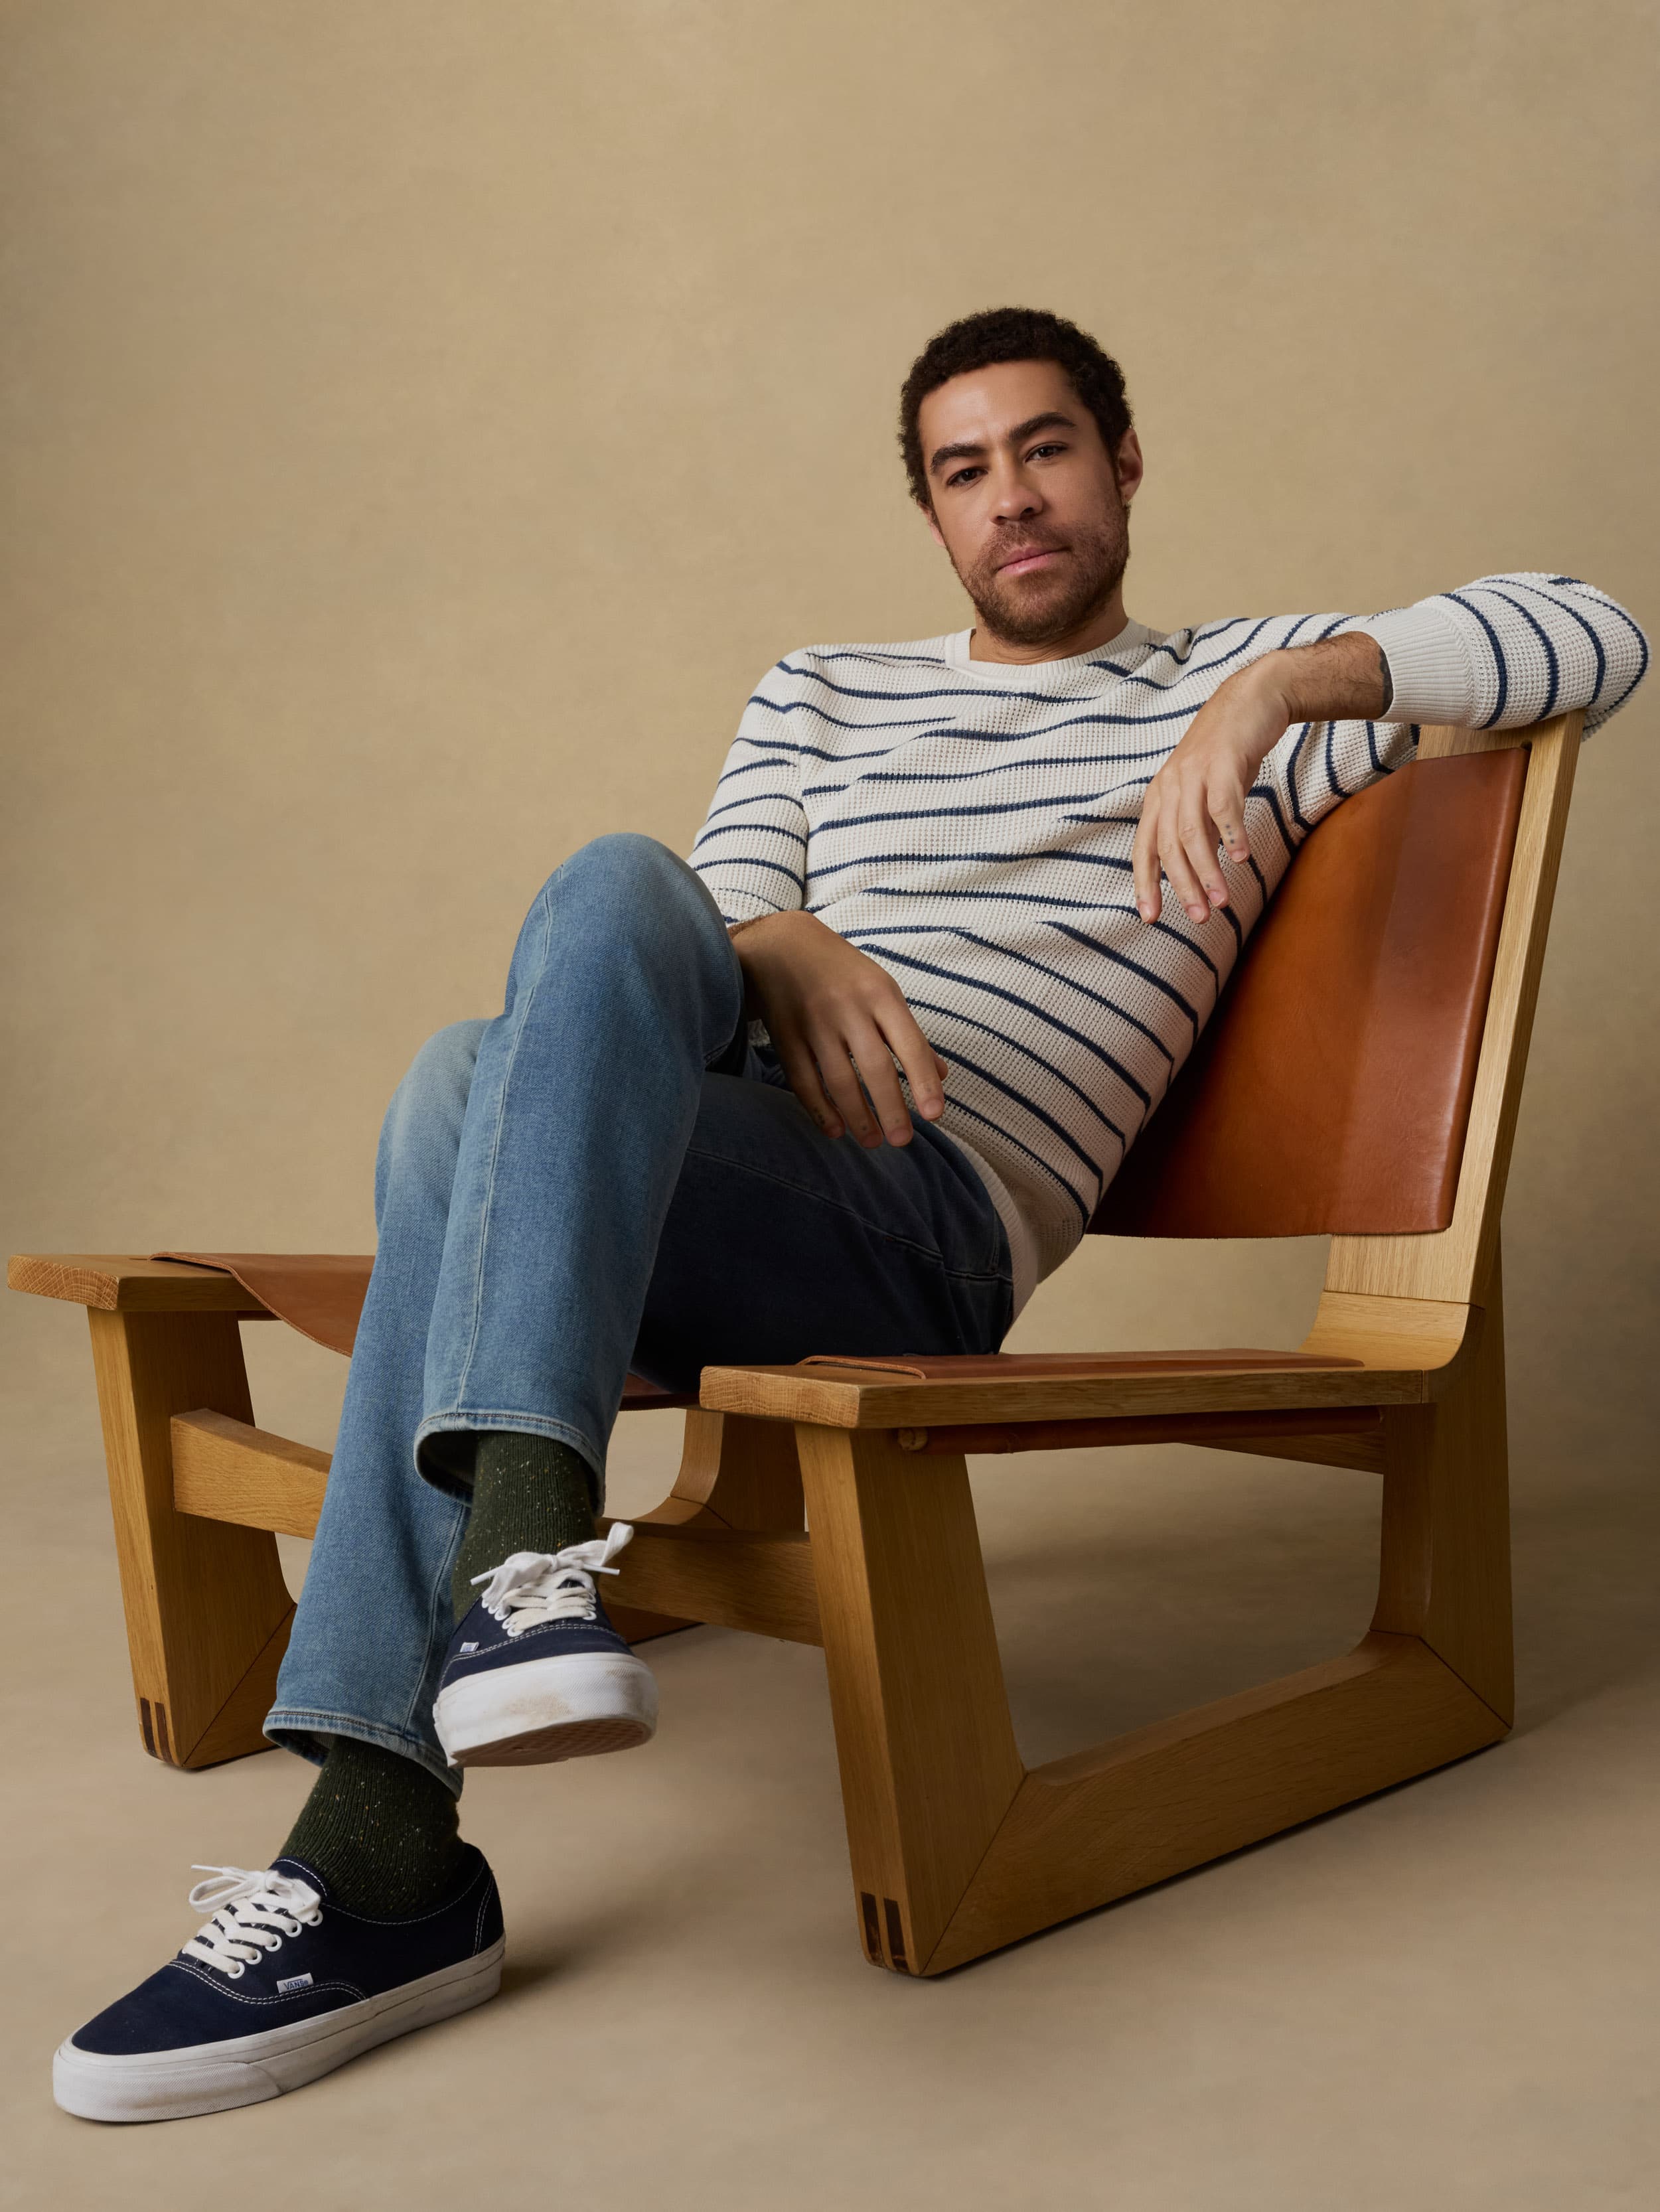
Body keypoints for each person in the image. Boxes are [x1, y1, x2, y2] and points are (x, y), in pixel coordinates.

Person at [53, 307, 1649, 2122]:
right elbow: (659, 957)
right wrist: (780, 938)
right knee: (529, 984)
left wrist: (1287, 692)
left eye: (1047, 450)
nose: (1012, 501)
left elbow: (1597, 630)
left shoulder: (1255, 687)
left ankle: (419, 1768)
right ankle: (478, 1654)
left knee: (455, 1083)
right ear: (933, 514)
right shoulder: (824, 692)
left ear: (1123, 465)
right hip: (720, 1176)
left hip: (921, 1230)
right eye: (965, 473)